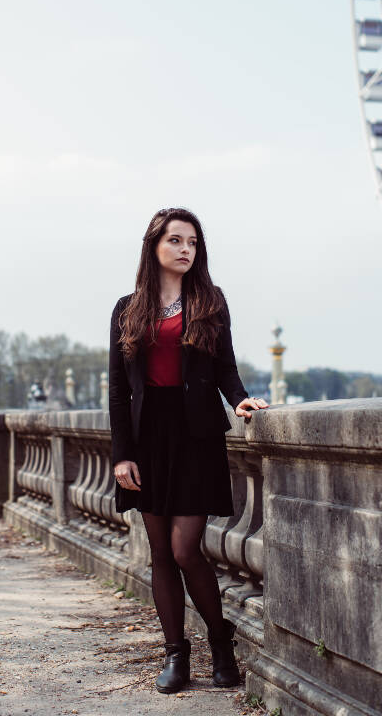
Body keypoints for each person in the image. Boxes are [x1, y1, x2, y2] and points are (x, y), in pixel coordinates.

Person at [109, 207, 269, 695]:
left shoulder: (210, 301)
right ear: (153, 246)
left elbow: (225, 365)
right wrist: (122, 454)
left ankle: (220, 641)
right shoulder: (126, 308)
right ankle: (176, 654)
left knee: (185, 548)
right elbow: (118, 388)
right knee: (160, 552)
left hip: (195, 434)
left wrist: (238, 397)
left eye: (192, 242)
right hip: (147, 437)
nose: (185, 250)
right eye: (175, 240)